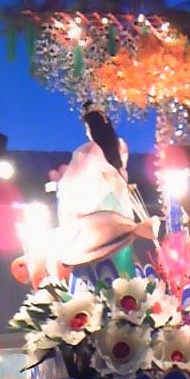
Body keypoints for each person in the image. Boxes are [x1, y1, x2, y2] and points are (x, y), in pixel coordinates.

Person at [56, 102, 136, 276]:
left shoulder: (88, 152)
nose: (86, 132)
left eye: (87, 127)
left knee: (99, 265)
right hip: (119, 212)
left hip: (97, 213)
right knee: (121, 264)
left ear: (93, 128)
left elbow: (71, 188)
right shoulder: (119, 149)